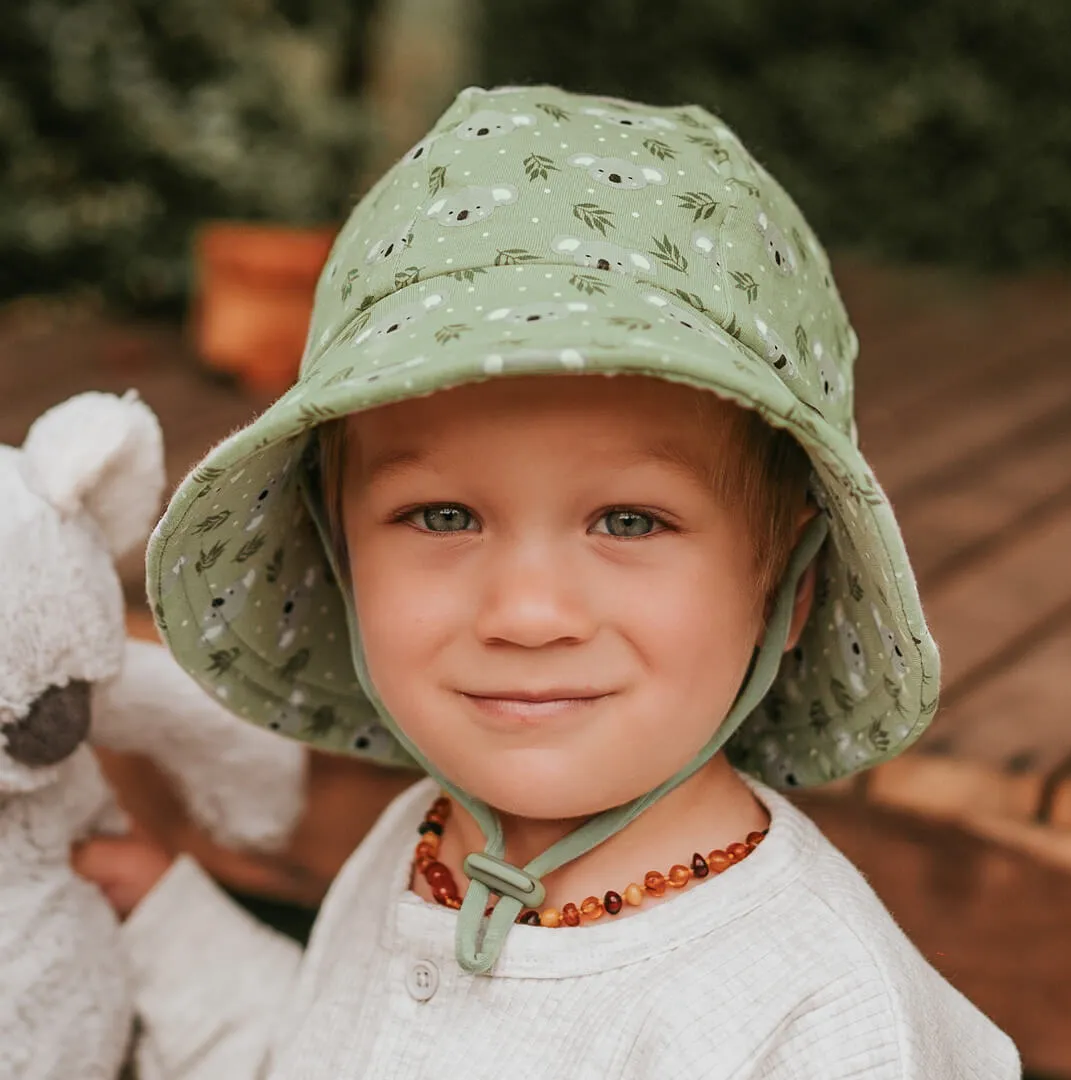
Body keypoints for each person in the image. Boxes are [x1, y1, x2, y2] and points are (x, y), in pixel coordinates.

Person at [73, 85, 1022, 1078]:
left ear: (792, 584)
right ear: (338, 549)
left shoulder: (826, 1019)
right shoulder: (425, 840)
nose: (527, 613)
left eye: (629, 521)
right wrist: (166, 922)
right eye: (442, 516)